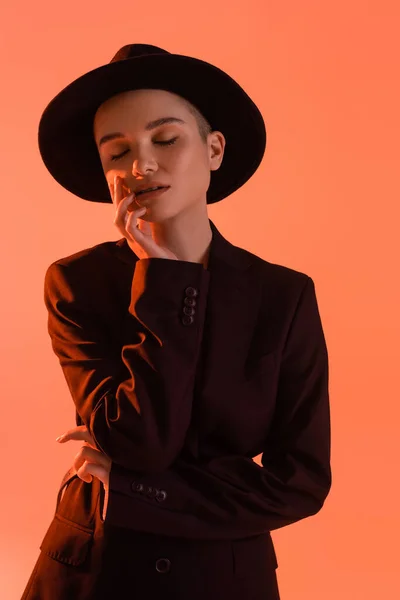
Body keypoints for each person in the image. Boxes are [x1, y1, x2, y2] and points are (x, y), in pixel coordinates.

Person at [21, 44, 331, 600]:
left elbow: (301, 483)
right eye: (117, 152)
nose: (141, 166)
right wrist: (163, 282)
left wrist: (137, 489)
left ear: (214, 149)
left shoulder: (283, 295)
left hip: (225, 578)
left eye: (166, 140)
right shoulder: (75, 283)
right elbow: (141, 440)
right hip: (94, 572)